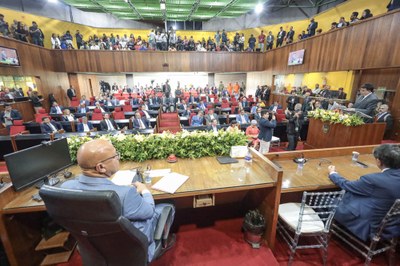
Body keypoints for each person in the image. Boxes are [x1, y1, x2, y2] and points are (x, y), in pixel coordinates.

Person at [61, 139, 176, 262]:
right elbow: (149, 211)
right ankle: (161, 244)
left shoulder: (66, 187)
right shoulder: (125, 194)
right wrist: (144, 190)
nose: (118, 158)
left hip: (93, 245)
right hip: (131, 247)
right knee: (167, 206)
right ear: (101, 167)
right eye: (115, 156)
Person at [327, 144, 400, 242]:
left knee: (325, 200)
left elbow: (347, 185)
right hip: (394, 224)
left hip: (371, 226)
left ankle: (326, 229)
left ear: (378, 161)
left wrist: (333, 173)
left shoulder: (372, 180)